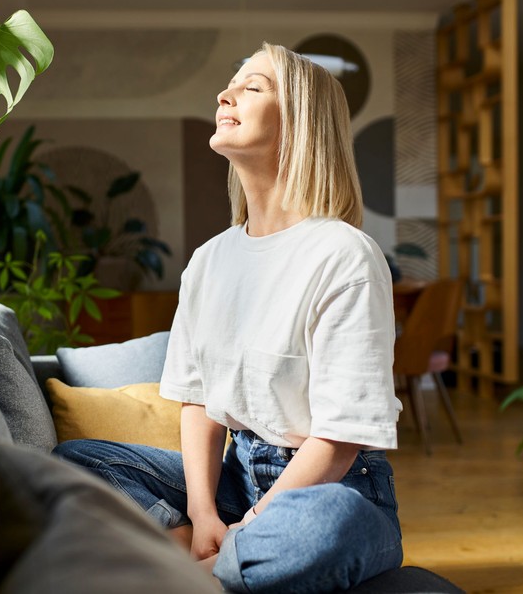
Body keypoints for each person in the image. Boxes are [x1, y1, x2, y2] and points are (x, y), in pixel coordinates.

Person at [53, 42, 403, 593]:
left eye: (253, 86)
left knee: (328, 524)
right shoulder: (210, 260)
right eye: (230, 83)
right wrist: (204, 514)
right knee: (74, 459)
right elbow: (199, 402)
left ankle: (182, 572)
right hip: (234, 478)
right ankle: (207, 558)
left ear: (300, 123)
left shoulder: (346, 256)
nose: (225, 95)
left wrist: (257, 523)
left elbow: (339, 439)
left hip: (332, 486)